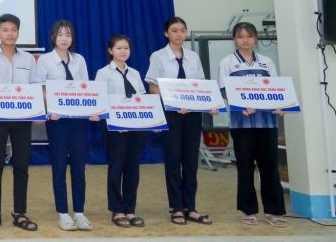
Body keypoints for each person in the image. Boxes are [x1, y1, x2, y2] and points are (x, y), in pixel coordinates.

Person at [145, 16, 214, 226]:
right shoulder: (158, 56)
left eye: (182, 30)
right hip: (171, 113)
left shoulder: (193, 56)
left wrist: (211, 103)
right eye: (174, 30)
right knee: (174, 159)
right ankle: (176, 207)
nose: (179, 34)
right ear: (166, 33)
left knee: (191, 160)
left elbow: (200, 85)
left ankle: (190, 207)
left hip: (193, 113)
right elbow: (153, 86)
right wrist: (173, 102)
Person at [217, 21, 287, 228]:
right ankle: (249, 211)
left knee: (270, 167)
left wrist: (281, 105)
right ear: (234, 39)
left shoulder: (266, 62)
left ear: (255, 38)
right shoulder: (228, 62)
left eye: (249, 36)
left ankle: (273, 211)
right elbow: (223, 91)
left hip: (267, 123)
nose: (245, 40)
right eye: (240, 36)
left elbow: (276, 88)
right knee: (245, 167)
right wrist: (241, 104)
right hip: (241, 124)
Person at [0, 13, 38, 232]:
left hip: (22, 119)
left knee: (22, 166)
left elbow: (35, 87)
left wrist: (37, 113)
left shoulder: (29, 59)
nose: (10, 34)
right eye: (5, 30)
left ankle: (20, 213)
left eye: (13, 30)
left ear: (18, 32)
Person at [36, 19, 97, 231]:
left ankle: (79, 212)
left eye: (68, 35)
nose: (64, 39)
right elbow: (41, 89)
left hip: (78, 120)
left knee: (79, 166)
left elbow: (86, 88)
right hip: (57, 121)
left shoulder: (79, 60)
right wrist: (51, 107)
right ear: (53, 37)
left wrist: (92, 109)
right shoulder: (44, 60)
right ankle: (62, 213)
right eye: (60, 34)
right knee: (59, 166)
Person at [95, 34, 147, 229]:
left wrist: (153, 122)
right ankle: (117, 209)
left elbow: (143, 100)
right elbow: (100, 100)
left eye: (126, 48)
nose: (123, 51)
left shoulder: (135, 73)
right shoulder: (103, 73)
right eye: (119, 48)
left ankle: (130, 209)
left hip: (136, 128)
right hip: (116, 129)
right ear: (110, 51)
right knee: (116, 168)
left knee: (133, 168)